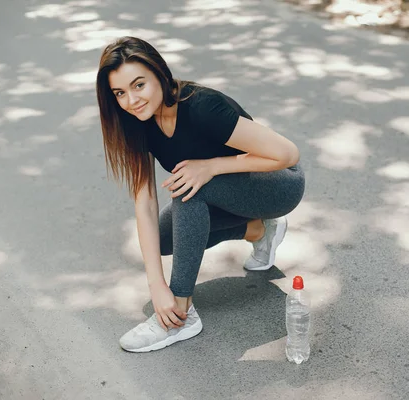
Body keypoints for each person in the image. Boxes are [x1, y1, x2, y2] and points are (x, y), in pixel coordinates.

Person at [96, 36, 305, 353]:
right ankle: (258, 230)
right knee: (165, 240)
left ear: (161, 75)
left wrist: (211, 166)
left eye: (139, 85)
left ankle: (181, 314)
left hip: (277, 185)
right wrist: (156, 287)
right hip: (232, 194)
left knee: (188, 186)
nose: (131, 100)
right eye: (120, 93)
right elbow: (145, 202)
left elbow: (287, 154)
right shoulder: (138, 123)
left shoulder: (202, 107)